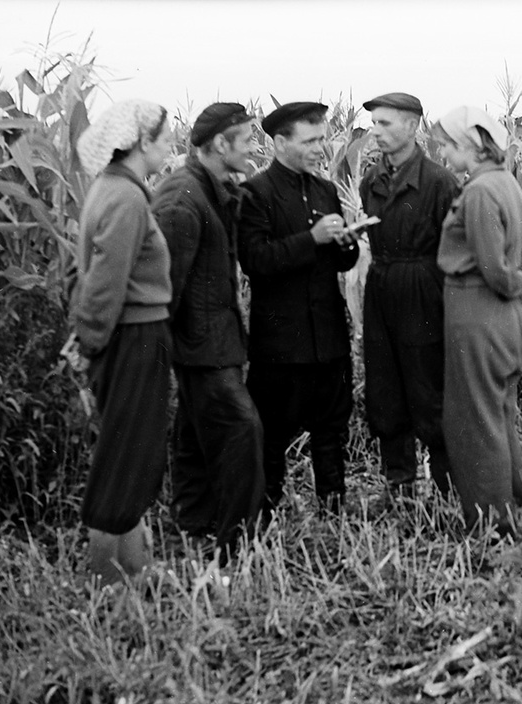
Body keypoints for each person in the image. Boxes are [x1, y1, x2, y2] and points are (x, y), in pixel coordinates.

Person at [151, 102, 265, 561]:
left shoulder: (209, 188)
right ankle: (237, 542)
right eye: (247, 139)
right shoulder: (182, 199)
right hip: (202, 344)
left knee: (195, 433)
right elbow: (166, 287)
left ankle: (194, 523)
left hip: (213, 339)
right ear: (221, 144)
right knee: (242, 430)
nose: (255, 147)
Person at [238, 101, 359, 515]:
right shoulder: (256, 194)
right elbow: (255, 261)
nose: (320, 149)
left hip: (327, 339)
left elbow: (341, 260)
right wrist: (312, 240)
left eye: (323, 139)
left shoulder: (325, 190)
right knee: (271, 437)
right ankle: (265, 517)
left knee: (331, 433)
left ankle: (334, 515)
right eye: (310, 141)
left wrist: (346, 244)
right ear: (279, 142)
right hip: (281, 346)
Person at [71, 99, 174, 583]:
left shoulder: (110, 189)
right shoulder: (127, 198)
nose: (169, 146)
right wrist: (88, 342)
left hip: (129, 336)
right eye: (164, 138)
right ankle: (110, 588)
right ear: (140, 142)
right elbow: (105, 283)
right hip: (134, 338)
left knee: (129, 454)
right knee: (126, 458)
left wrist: (88, 341)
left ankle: (134, 572)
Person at [432, 106, 522, 537]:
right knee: (498, 413)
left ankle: (491, 525)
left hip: (477, 311)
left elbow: (494, 268)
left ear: (472, 147)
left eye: (450, 146)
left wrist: (516, 280)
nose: (446, 154)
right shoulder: (505, 183)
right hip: (501, 318)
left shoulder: (478, 192)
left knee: (474, 420)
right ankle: (510, 505)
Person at [359, 92, 460, 505]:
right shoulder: (371, 182)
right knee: (385, 387)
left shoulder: (439, 182)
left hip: (423, 292)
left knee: (428, 387)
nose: (375, 132)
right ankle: (398, 487)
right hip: (381, 289)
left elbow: (452, 249)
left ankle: (447, 489)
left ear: (412, 125)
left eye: (385, 123)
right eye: (374, 124)